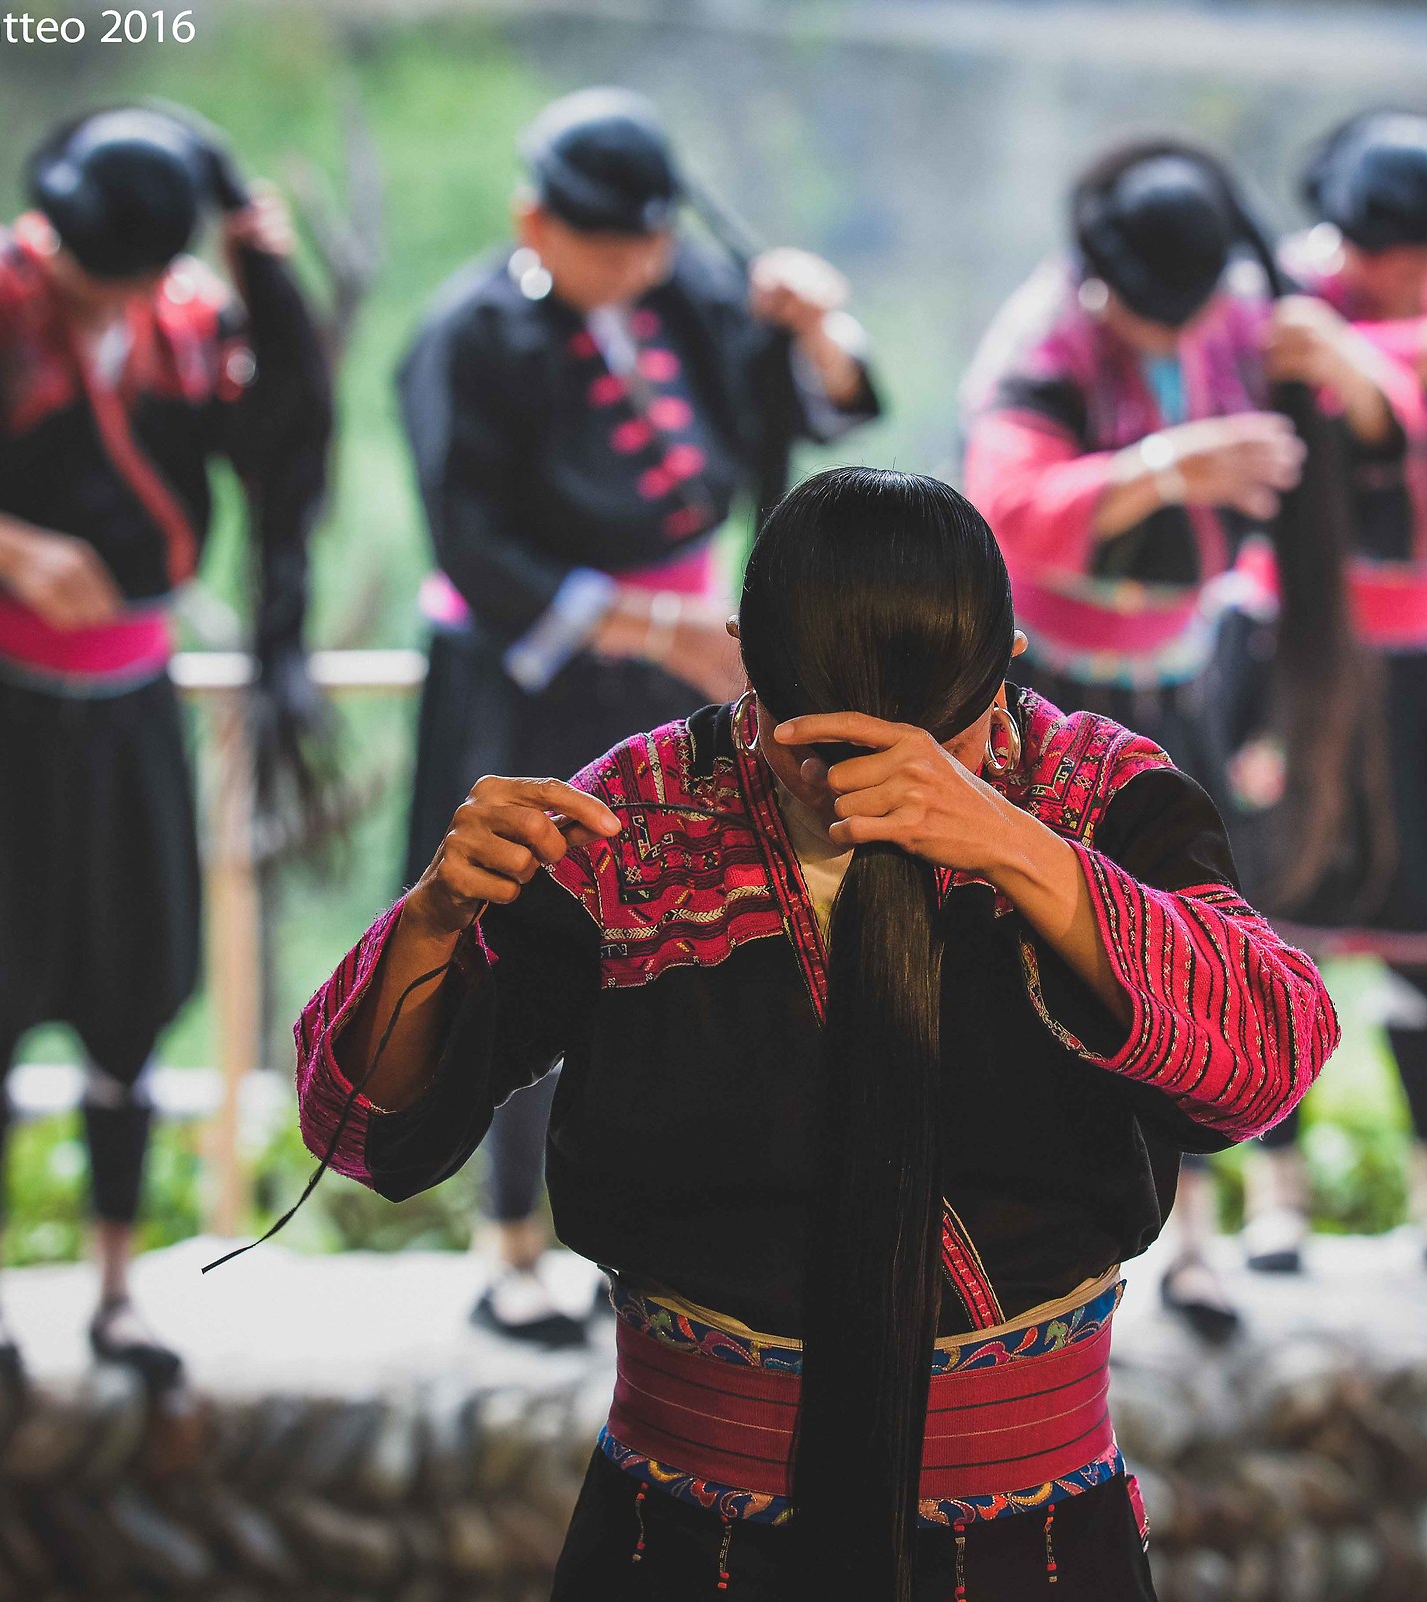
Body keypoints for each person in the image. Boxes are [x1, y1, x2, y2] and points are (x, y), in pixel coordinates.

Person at [294, 467, 1338, 1599]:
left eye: (941, 744)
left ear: (1012, 659)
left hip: (1029, 1538)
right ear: (746, 659)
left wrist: (1012, 844)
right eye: (813, 748)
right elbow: (363, 1129)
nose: (871, 788)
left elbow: (1270, 1060)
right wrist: (435, 918)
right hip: (692, 1536)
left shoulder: (1100, 798)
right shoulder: (634, 822)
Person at [0, 105, 330, 1386]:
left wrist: (267, 263)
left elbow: (282, 443)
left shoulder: (192, 319)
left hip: (125, 697)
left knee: (127, 1007)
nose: (119, 300)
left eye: (140, 280)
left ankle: (114, 1294)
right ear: (50, 235)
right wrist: (1, 544)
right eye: (103, 280)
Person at [397, 88, 880, 1343]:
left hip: (680, 660)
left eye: (654, 246)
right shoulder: (466, 337)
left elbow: (810, 405)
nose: (639, 269)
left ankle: (655, 1240)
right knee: (519, 926)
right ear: (534, 223)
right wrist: (645, 626)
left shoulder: (685, 294)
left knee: (684, 928)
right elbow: (473, 539)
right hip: (533, 668)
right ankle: (508, 1240)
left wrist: (813, 328)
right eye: (612, 247)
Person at [960, 135, 1375, 1336]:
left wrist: (1344, 361)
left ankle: (1195, 1235)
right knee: (1047, 957)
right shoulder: (1044, 345)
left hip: (1187, 675)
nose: (1167, 333)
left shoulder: (1243, 311)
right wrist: (1158, 470)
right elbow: (999, 509)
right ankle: (1038, 1244)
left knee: (1186, 953)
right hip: (1057, 693)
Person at [1229, 111, 1427, 1283]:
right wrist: (1415, 357)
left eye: (1415, 252)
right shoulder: (1290, 302)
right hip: (1304, 657)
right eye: (1375, 251)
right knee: (1276, 928)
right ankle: (1275, 1199)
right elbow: (1297, 394)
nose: (1394, 275)